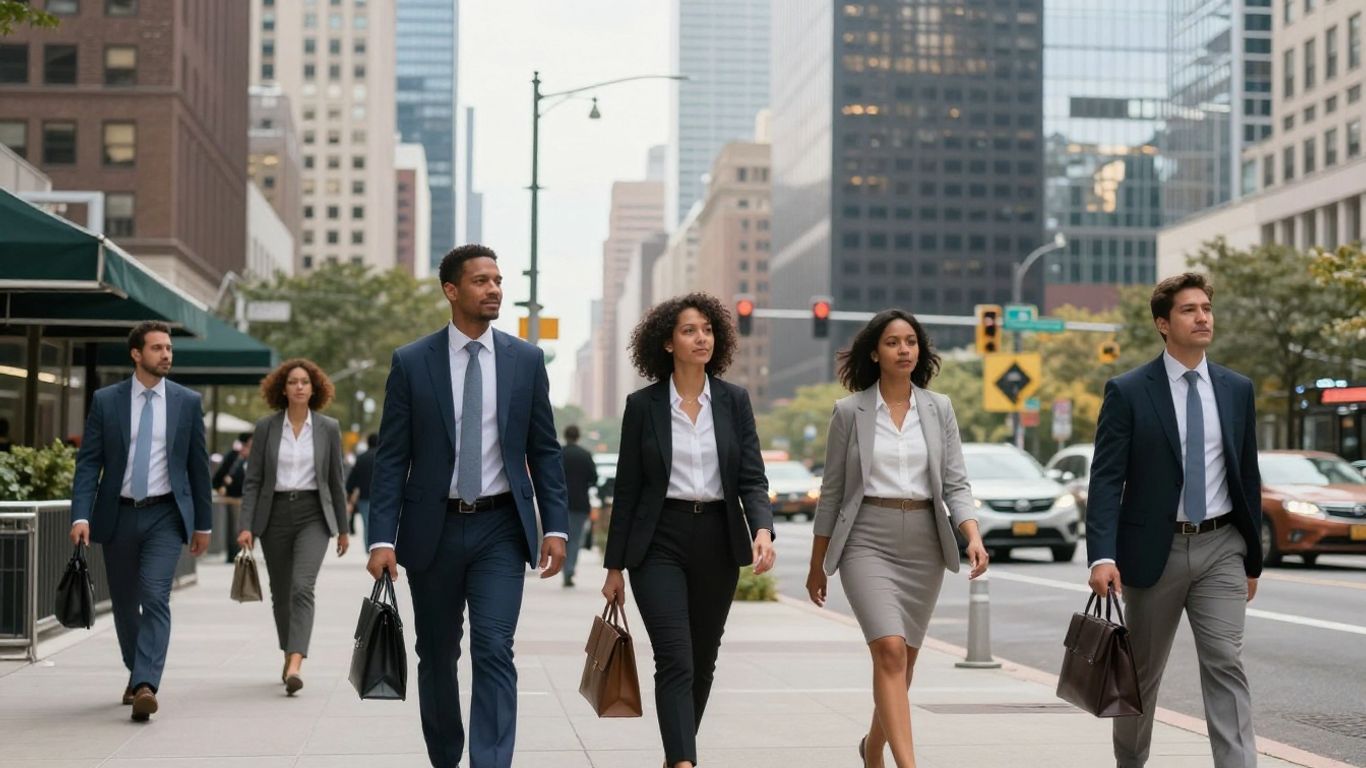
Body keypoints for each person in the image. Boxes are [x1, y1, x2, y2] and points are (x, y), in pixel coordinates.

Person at [367, 244, 568, 768]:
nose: (495, 289)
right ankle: (445, 756)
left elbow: (544, 450)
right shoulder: (412, 362)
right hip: (431, 530)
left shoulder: (526, 360)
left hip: (501, 527)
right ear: (451, 290)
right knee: (436, 654)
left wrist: (557, 528)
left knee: (494, 647)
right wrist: (382, 537)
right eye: (481, 281)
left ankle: (491, 762)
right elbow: (392, 457)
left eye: (498, 280)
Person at [1087, 273, 1262, 768]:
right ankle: (1131, 762)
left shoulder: (1236, 389)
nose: (1203, 317)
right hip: (1152, 554)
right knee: (1140, 674)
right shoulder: (1128, 391)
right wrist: (1102, 554)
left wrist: (1253, 558)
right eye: (1189, 310)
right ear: (1164, 324)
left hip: (1221, 546)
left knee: (1226, 664)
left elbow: (1247, 475)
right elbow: (1105, 479)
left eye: (1206, 307)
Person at [805, 309, 988, 768]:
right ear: (875, 352)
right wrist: (816, 564)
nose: (904, 349)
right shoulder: (849, 412)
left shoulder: (939, 407)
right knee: (887, 649)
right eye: (893, 342)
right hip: (867, 536)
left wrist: (972, 534)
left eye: (911, 341)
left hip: (925, 539)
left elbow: (955, 483)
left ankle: (873, 748)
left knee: (901, 662)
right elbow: (831, 492)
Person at [601, 292, 776, 768]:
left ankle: (677, 754)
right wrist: (614, 566)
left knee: (702, 662)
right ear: (666, 343)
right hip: (659, 540)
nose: (701, 338)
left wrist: (762, 528)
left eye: (707, 330)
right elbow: (630, 489)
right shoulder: (643, 406)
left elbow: (752, 477)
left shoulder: (734, 401)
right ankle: (684, 762)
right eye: (689, 330)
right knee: (675, 657)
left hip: (718, 539)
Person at [70, 320, 213, 722]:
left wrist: (203, 524)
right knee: (125, 603)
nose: (166, 354)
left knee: (155, 597)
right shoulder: (106, 400)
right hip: (117, 515)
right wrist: (80, 514)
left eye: (169, 348)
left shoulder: (187, 401)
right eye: (157, 348)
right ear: (136, 354)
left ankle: (147, 684)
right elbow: (88, 465)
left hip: (165, 516)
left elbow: (198, 468)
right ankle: (138, 673)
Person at [236, 359, 350, 695]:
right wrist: (247, 526)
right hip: (274, 516)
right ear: (282, 389)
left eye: (305, 382)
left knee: (302, 586)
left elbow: (336, 480)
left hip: (314, 514)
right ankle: (289, 651)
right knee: (281, 592)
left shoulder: (328, 428)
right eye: (292, 382)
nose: (299, 386)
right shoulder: (267, 427)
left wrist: (343, 529)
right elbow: (253, 481)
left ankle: (296, 660)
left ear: (314, 389)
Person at [559, 424, 598, 587]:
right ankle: (569, 571)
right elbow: (594, 478)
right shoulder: (585, 455)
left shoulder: (559, 453)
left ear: (565, 435)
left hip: (560, 503)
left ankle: (564, 568)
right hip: (580, 504)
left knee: (561, 538)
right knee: (575, 540)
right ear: (578, 437)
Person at [214, 432, 252, 561]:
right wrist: (221, 487)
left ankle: (246, 551)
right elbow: (217, 478)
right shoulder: (233, 457)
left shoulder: (255, 457)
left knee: (248, 527)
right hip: (233, 499)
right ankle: (233, 554)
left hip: (249, 500)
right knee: (234, 528)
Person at [346, 433, 378, 538]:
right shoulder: (383, 457)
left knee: (366, 524)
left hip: (364, 497)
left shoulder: (361, 458)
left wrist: (349, 495)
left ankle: (369, 551)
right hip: (380, 496)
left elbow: (352, 479)